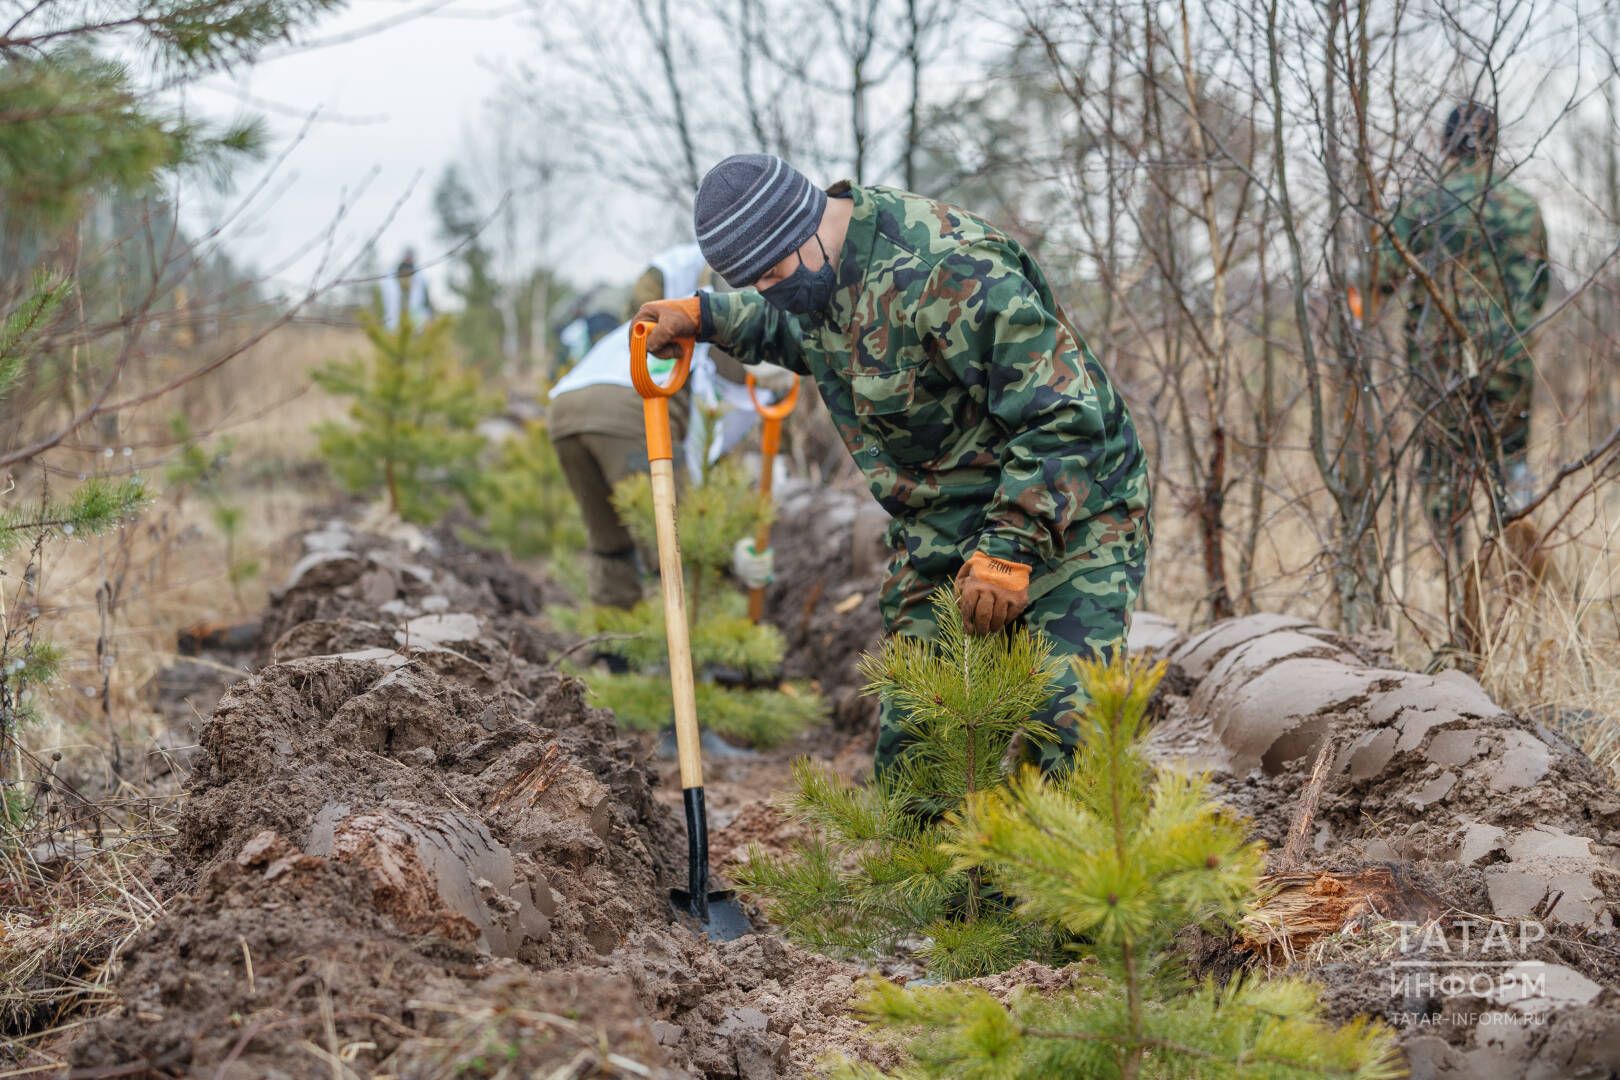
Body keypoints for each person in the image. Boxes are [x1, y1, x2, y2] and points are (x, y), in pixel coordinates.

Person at [634, 154, 1151, 776]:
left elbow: (1063, 417)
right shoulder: (815, 278)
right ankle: (943, 873)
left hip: (1071, 510)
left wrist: (1010, 548)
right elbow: (792, 328)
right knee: (918, 746)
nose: (773, 291)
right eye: (756, 284)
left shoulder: (948, 270)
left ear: (805, 223)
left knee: (1068, 726)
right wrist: (705, 315)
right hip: (943, 519)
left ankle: (1063, 862)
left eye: (773, 272)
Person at [548, 242, 787, 611]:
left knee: (610, 541)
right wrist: (731, 553)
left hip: (566, 406)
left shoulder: (673, 311)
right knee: (678, 544)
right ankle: (689, 655)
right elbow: (708, 463)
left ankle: (614, 654)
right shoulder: (725, 334)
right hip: (631, 409)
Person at [1375, 102, 1551, 535]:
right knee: (1511, 463)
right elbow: (1540, 288)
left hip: (1441, 362)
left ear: (1445, 143)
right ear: (1494, 143)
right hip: (1509, 359)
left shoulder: (1422, 204)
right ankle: (1514, 567)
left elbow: (1378, 281)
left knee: (1442, 469)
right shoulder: (1523, 206)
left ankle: (1452, 577)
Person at [381, 248, 433, 330]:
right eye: (407, 256)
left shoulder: (420, 277)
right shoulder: (392, 275)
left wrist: (428, 314)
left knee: (415, 330)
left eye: (411, 257)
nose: (409, 259)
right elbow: (387, 298)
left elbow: (425, 298)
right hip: (396, 315)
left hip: (415, 314)